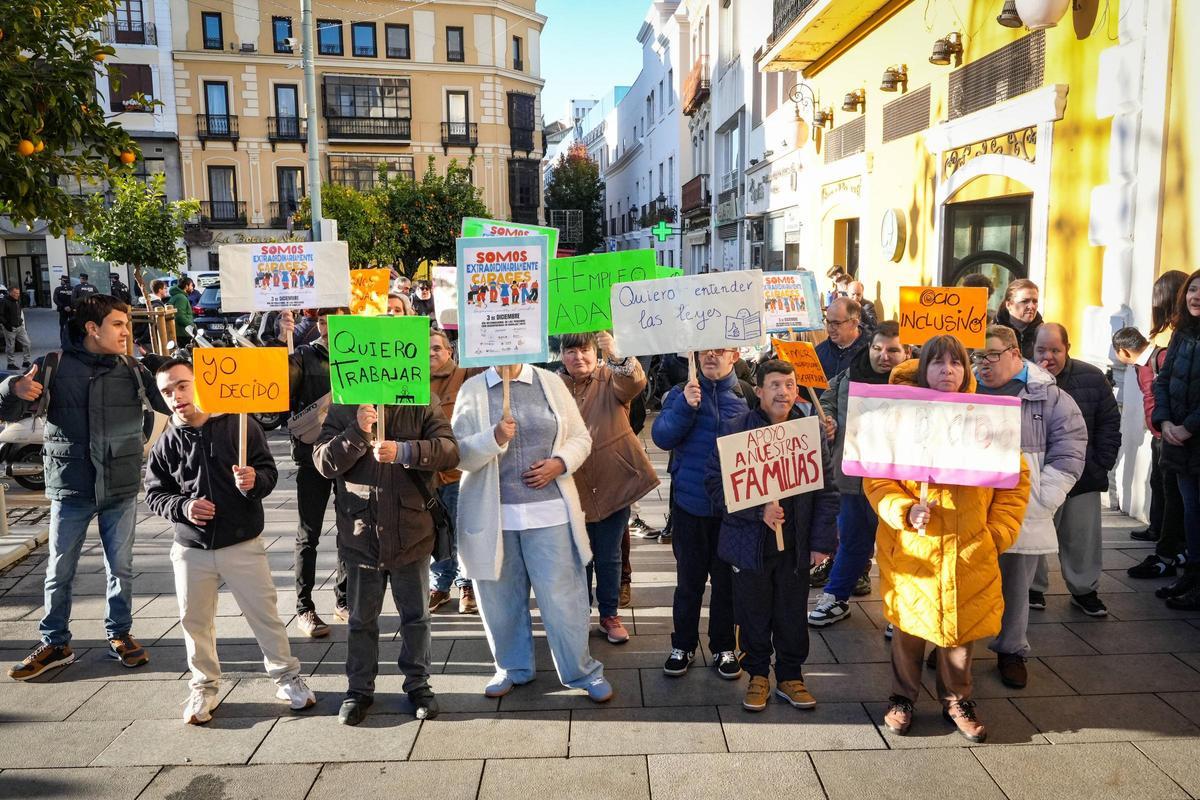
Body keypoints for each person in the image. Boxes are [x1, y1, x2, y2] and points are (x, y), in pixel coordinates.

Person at [865, 335, 1031, 742]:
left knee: (961, 630)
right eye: (938, 362)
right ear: (924, 369)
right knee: (908, 627)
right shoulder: (899, 418)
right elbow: (877, 478)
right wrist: (904, 510)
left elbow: (1015, 481)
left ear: (966, 369)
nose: (947, 370)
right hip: (913, 547)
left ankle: (957, 700)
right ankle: (902, 698)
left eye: (955, 363)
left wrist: (996, 534)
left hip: (968, 546)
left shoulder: (986, 418)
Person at [3, 295, 172, 680]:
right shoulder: (53, 365)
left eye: (127, 324)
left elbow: (172, 404)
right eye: (118, 324)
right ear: (93, 328)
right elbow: (8, 411)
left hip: (120, 485)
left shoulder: (134, 368)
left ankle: (120, 634)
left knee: (121, 568)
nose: (126, 332)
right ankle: (55, 643)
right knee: (59, 569)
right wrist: (13, 388)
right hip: (71, 486)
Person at [144, 359, 316, 724]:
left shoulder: (240, 423)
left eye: (182, 385)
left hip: (241, 541)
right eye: (167, 391)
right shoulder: (167, 438)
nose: (176, 397)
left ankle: (286, 677)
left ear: (199, 382)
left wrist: (255, 480)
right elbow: (155, 492)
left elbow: (268, 471)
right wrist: (183, 507)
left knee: (265, 615)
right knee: (194, 621)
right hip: (191, 548)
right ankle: (203, 687)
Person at [451, 362, 613, 703]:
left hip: (550, 514)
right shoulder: (473, 389)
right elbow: (459, 454)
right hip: (494, 519)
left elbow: (581, 438)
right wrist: (493, 438)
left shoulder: (549, 382)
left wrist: (560, 463)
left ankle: (582, 671)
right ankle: (511, 667)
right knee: (499, 603)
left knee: (564, 600)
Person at [314, 391, 459, 725]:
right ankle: (358, 690)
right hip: (361, 537)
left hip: (412, 534)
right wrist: (356, 432)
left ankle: (419, 685)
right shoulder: (345, 402)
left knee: (416, 617)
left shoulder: (422, 399)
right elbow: (322, 463)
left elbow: (450, 451)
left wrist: (405, 451)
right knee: (360, 620)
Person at [706, 359, 838, 711]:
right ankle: (758, 675)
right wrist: (758, 511)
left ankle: (791, 676)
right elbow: (716, 487)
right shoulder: (734, 431)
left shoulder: (808, 433)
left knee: (792, 613)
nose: (784, 392)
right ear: (759, 391)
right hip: (750, 546)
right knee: (753, 613)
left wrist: (822, 543)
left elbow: (827, 491)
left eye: (790, 385)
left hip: (795, 546)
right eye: (775, 385)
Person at [975, 325, 1085, 689]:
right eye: (978, 356)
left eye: (992, 355)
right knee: (965, 577)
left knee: (1016, 583)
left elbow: (1070, 451)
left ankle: (1011, 650)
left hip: (1020, 506)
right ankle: (955, 645)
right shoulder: (965, 388)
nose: (984, 363)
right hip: (972, 503)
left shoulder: (1050, 397)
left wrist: (1042, 498)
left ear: (1013, 353)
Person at [558, 331, 659, 644]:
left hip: (614, 482)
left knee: (609, 555)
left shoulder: (610, 377)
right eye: (571, 351)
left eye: (585, 349)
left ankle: (609, 614)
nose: (579, 357)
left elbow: (634, 383)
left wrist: (616, 355)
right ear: (561, 355)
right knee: (579, 557)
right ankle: (579, 614)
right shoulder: (553, 386)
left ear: (595, 351)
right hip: (571, 486)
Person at [651, 348, 747, 679]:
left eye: (720, 349)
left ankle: (724, 647)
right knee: (688, 583)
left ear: (735, 355)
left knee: (726, 584)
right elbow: (661, 437)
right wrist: (685, 407)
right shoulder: (680, 393)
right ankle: (683, 645)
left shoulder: (746, 395)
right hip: (690, 507)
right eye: (705, 350)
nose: (711, 355)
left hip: (731, 511)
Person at [808, 321, 909, 627]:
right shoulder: (849, 374)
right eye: (877, 348)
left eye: (893, 350)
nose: (884, 356)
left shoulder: (916, 382)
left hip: (897, 481)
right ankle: (836, 596)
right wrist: (827, 420)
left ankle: (901, 610)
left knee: (898, 547)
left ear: (906, 353)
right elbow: (826, 400)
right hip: (852, 476)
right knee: (852, 539)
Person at [1031, 323, 1121, 616]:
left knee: (1082, 537)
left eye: (1055, 350)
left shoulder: (1092, 377)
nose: (1048, 357)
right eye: (1041, 350)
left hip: (1083, 474)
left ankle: (1085, 590)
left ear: (1067, 349)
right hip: (1038, 474)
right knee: (1033, 532)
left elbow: (1109, 422)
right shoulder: (1022, 377)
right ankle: (1032, 588)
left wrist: (1101, 462)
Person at [280, 309, 350, 637]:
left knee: (350, 530)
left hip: (350, 454)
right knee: (309, 533)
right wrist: (282, 339)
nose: (327, 328)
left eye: (335, 321)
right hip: (312, 456)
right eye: (322, 322)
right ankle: (304, 607)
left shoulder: (360, 354)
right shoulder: (303, 356)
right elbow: (278, 389)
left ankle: (344, 599)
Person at [1113, 326, 1186, 577]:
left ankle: (1173, 546)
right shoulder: (1140, 366)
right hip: (1158, 434)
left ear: (1124, 351)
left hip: (1170, 435)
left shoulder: (1161, 358)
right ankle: (1157, 530)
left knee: (1172, 491)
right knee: (1158, 483)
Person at [428, 328, 485, 614]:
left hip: (457, 472)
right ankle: (439, 586)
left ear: (450, 351)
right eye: (425, 349)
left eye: (437, 348)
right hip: (426, 473)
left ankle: (466, 585)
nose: (431, 353)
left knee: (462, 531)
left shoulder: (465, 374)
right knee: (435, 533)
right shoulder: (412, 380)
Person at [1152, 269, 1200, 609]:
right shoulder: (1182, 334)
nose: (1197, 296)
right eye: (1193, 289)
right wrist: (1166, 420)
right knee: (1190, 512)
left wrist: (1188, 427)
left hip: (1193, 438)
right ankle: (1192, 576)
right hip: (1180, 443)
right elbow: (1164, 380)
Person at [815, 298, 868, 393]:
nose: (830, 329)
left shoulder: (871, 352)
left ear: (854, 323)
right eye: (828, 322)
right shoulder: (818, 352)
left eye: (836, 323)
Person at [995, 279, 1043, 360]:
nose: (1031, 306)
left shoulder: (1044, 334)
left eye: (1035, 301)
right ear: (1009, 305)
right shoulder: (992, 333)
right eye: (1025, 301)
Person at [1, 285, 32, 371]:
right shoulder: (4, 301)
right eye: (15, 293)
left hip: (19, 327)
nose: (17, 295)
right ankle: (10, 363)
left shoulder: (17, 300)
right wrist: (7, 325)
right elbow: (0, 315)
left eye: (18, 293)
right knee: (10, 347)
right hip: (9, 328)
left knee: (27, 343)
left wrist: (21, 321)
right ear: (10, 293)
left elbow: (19, 311)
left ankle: (26, 361)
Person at [134, 279, 170, 353]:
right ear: (160, 290)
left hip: (141, 338)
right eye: (165, 288)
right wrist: (142, 339)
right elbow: (153, 324)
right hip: (151, 340)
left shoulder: (144, 302)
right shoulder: (157, 305)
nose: (166, 290)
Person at [168, 277, 195, 347]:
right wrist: (192, 325)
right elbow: (179, 316)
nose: (192, 288)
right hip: (183, 333)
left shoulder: (177, 296)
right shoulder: (181, 298)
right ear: (186, 286)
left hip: (180, 332)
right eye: (191, 285)